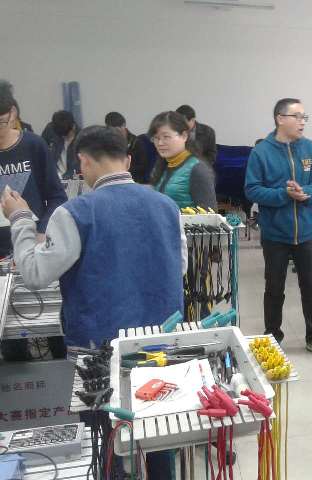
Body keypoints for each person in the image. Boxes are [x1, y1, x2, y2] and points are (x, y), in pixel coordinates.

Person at [1, 125, 185, 477]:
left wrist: (21, 219)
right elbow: (181, 267)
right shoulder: (167, 206)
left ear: (83, 162)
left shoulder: (75, 213)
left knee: (106, 438)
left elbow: (36, 274)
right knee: (158, 429)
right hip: (159, 345)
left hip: (97, 353)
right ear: (127, 160)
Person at [245, 98, 312, 360]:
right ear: (280, 118)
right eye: (297, 116)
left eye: (304, 117)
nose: (302, 122)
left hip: (307, 232)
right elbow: (252, 190)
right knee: (274, 288)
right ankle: (273, 335)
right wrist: (283, 194)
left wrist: (305, 193)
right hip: (275, 234)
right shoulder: (261, 152)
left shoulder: (311, 148)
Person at [0, 79, 67, 362]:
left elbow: (57, 197)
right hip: (2, 258)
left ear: (12, 113)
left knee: (53, 330)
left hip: (36, 250)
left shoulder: (33, 145)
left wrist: (41, 232)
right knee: (11, 339)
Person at [149, 111, 217, 210]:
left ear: (184, 136)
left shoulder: (197, 169)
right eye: (156, 138)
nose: (160, 143)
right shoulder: (164, 165)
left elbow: (209, 213)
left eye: (166, 137)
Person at [104, 112, 150, 183]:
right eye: (111, 131)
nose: (114, 133)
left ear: (124, 125)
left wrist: (122, 170)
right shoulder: (106, 143)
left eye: (117, 130)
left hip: (133, 180)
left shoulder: (137, 143)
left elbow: (142, 166)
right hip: (113, 179)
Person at [47, 110, 78, 179]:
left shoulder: (82, 140)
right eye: (61, 135)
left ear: (73, 126)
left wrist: (64, 177)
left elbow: (78, 168)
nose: (63, 137)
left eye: (66, 134)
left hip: (72, 179)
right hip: (56, 177)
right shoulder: (52, 131)